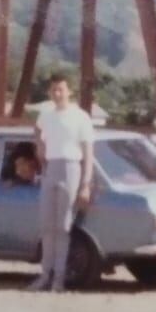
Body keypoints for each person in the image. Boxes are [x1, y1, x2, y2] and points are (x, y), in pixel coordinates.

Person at [31, 74, 94, 292]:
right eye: (53, 90)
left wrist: (85, 184)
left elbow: (88, 151)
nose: (57, 94)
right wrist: (39, 145)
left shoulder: (80, 117)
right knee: (47, 226)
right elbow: (37, 129)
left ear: (69, 91)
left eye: (61, 90)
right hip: (51, 167)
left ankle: (59, 279)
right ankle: (44, 275)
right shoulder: (46, 114)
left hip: (70, 168)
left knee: (63, 227)